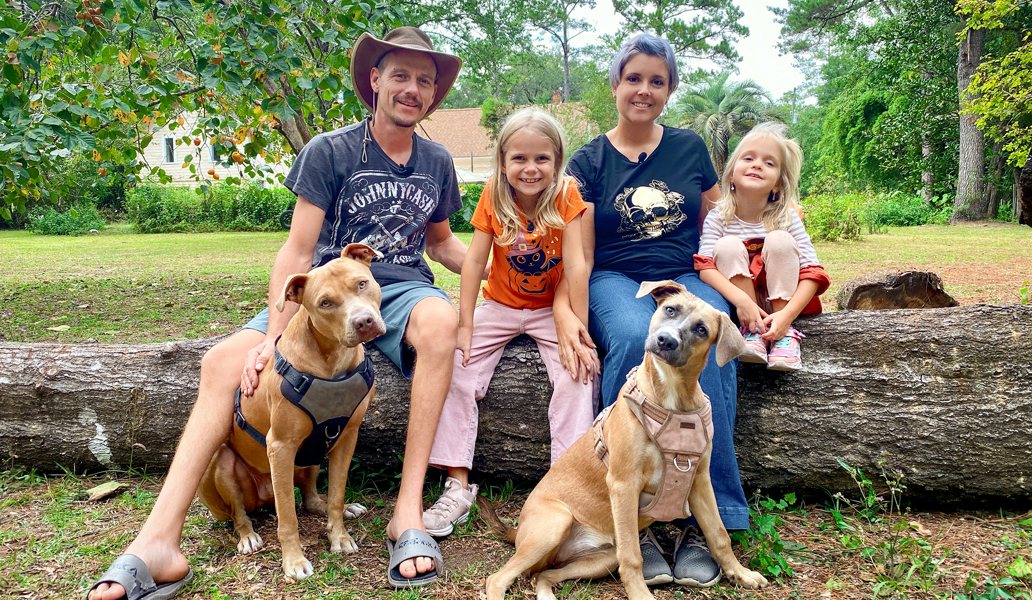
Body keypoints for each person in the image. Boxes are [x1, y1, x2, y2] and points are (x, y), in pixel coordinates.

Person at [86, 26, 465, 598]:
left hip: (398, 291)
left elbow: (440, 243)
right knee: (219, 362)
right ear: (375, 80)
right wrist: (272, 333)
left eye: (425, 81)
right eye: (401, 76)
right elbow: (295, 250)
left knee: (442, 321)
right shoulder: (331, 150)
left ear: (433, 93)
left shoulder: (436, 159)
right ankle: (158, 540)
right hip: (324, 296)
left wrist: (507, 267)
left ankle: (406, 512)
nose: (413, 89)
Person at [554, 32, 744, 588]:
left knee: (712, 347)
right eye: (633, 78)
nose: (644, 90)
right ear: (615, 84)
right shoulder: (588, 160)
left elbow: (719, 223)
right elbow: (581, 254)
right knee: (638, 333)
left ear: (669, 90)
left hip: (685, 276)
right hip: (617, 278)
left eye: (656, 81)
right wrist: (571, 312)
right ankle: (640, 526)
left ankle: (714, 520)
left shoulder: (687, 148)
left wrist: (747, 289)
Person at [421, 108, 597, 538]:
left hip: (547, 311)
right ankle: (457, 484)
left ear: (557, 160)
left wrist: (579, 325)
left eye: (541, 159)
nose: (530, 168)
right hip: (499, 305)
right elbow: (474, 262)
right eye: (519, 158)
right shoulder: (494, 196)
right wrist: (465, 325)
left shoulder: (567, 196)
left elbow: (576, 265)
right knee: (457, 370)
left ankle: (567, 490)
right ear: (502, 161)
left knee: (578, 376)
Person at [695, 122, 830, 371]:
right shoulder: (718, 217)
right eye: (748, 158)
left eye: (769, 163)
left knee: (779, 239)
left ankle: (784, 334)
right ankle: (753, 331)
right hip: (743, 308)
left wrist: (787, 315)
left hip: (783, 305)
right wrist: (741, 302)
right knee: (727, 245)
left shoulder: (786, 218)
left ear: (778, 183)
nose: (757, 164)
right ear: (731, 173)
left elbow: (813, 272)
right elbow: (705, 268)